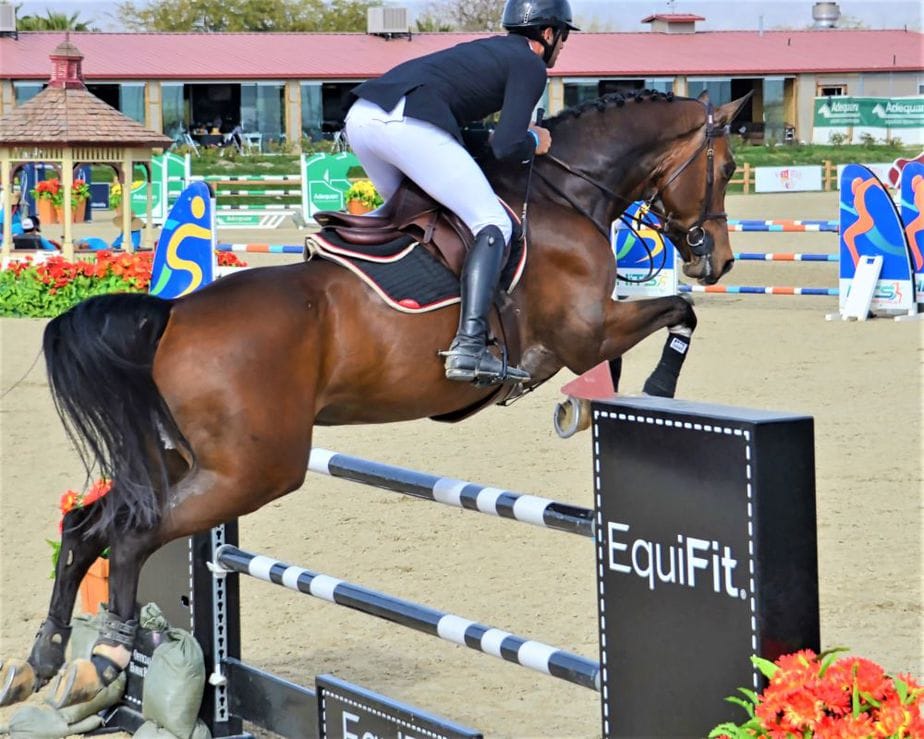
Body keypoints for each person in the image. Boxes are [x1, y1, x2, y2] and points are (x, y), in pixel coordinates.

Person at [344, 0, 577, 386]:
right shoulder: (529, 65)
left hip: (363, 118)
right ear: (548, 33)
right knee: (493, 223)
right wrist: (535, 138)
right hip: (407, 124)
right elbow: (507, 146)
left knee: (404, 217)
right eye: (564, 37)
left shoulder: (483, 52)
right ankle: (469, 347)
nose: (563, 47)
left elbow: (474, 135)